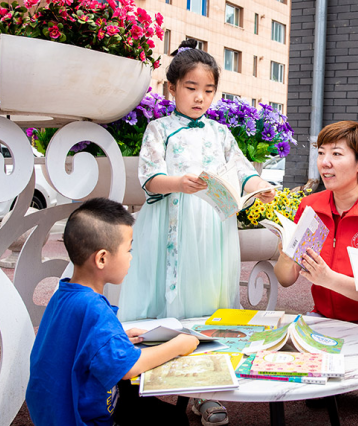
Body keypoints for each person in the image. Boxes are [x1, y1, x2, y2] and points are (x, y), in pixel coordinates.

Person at [117, 38, 275, 426]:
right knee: (168, 301)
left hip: (213, 228)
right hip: (171, 226)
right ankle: (151, 382)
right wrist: (177, 183)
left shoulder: (220, 133)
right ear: (171, 88)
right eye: (191, 88)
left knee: (211, 302)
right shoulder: (159, 129)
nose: (200, 97)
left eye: (208, 90)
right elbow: (149, 179)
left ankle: (207, 391)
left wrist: (258, 187)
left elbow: (241, 169)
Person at [25, 198, 199, 426]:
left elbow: (72, 341)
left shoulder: (64, 293)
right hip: (84, 419)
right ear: (102, 258)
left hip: (54, 414)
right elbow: (129, 367)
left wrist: (117, 336)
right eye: (129, 249)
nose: (131, 257)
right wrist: (179, 344)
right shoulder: (93, 307)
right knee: (173, 420)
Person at [273, 121, 358, 423]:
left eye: (336, 153)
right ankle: (328, 374)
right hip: (324, 316)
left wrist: (329, 279)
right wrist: (284, 250)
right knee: (283, 343)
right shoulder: (309, 206)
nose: (325, 162)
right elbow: (286, 278)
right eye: (321, 153)